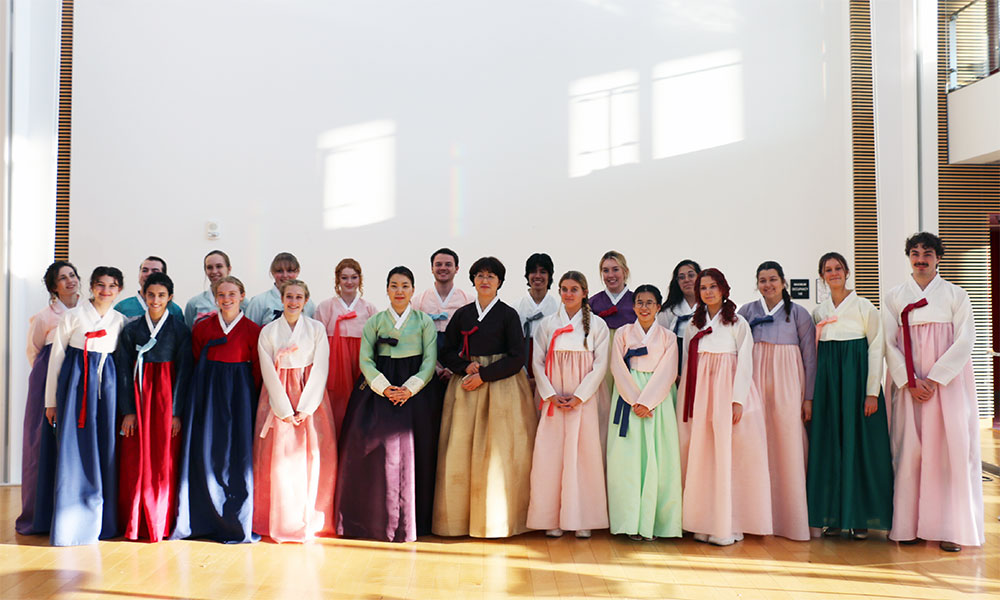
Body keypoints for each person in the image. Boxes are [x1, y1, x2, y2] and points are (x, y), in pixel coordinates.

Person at [883, 233, 984, 552]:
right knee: (909, 453)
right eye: (914, 253)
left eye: (927, 253)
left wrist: (936, 378)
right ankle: (909, 526)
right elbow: (889, 343)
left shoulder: (957, 295)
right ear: (908, 258)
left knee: (950, 452)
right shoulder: (894, 296)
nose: (921, 258)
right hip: (910, 389)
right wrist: (910, 380)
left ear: (939, 257)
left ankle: (952, 529)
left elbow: (965, 340)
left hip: (948, 387)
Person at [433, 257, 536, 538]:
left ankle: (497, 520)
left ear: (500, 281)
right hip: (466, 389)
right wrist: (465, 367)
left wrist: (485, 374)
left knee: (498, 454)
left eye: (491, 275)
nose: (485, 280)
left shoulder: (508, 315)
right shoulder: (463, 314)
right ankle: (458, 521)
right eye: (480, 275)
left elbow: (517, 358)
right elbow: (446, 351)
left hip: (501, 390)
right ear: (473, 280)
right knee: (460, 452)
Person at [335, 266, 438, 542]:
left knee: (416, 454)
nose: (399, 291)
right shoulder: (375, 321)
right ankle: (370, 521)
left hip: (415, 394)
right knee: (373, 452)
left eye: (405, 286)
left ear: (413, 290)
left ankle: (415, 522)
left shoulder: (424, 322)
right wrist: (383, 387)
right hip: (378, 390)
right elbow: (365, 360)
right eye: (394, 285)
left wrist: (410, 388)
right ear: (387, 289)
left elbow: (429, 362)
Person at [677, 268, 772, 546]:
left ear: (723, 289)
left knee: (729, 456)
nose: (707, 291)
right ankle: (704, 520)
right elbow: (687, 362)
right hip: (700, 394)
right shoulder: (692, 325)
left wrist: (737, 399)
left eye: (712, 286)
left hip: (726, 389)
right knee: (702, 455)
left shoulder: (738, 322)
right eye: (703, 287)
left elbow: (745, 362)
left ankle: (729, 523)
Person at [808, 252, 892, 539]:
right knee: (831, 444)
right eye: (828, 269)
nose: (834, 273)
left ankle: (859, 517)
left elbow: (876, 348)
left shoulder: (865, 307)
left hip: (856, 382)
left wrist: (872, 392)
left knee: (860, 446)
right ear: (822, 275)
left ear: (847, 272)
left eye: (838, 268)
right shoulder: (818, 312)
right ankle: (833, 515)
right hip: (828, 385)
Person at [172, 276, 262, 544]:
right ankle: (202, 520)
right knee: (206, 452)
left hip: (240, 397)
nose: (227, 299)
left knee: (237, 456)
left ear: (242, 295)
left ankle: (236, 522)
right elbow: (196, 362)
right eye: (221, 294)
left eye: (232, 293)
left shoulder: (253, 330)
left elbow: (256, 370)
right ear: (215, 298)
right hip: (208, 395)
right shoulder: (202, 328)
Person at [44, 266, 126, 546]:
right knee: (73, 451)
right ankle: (72, 525)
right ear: (91, 287)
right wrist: (51, 401)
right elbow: (56, 358)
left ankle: (104, 522)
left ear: (119, 290)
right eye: (100, 285)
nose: (105, 290)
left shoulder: (120, 320)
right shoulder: (72, 316)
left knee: (105, 448)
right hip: (77, 384)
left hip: (106, 388)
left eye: (112, 286)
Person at [526, 271, 610, 539]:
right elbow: (537, 361)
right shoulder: (547, 324)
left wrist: (580, 395)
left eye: (574, 289)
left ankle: (582, 517)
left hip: (581, 400)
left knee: (584, 455)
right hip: (554, 399)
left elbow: (600, 365)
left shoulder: (597, 326)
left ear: (585, 292)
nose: (568, 294)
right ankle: (551, 517)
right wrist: (550, 394)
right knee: (551, 456)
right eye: (564, 289)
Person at [252, 279, 337, 543]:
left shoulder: (316, 329)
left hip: (309, 396)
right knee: (278, 463)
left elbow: (321, 366)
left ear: (306, 300)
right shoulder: (268, 331)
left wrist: (306, 407)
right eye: (289, 296)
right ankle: (276, 519)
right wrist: (283, 408)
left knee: (312, 458)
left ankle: (309, 520)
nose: (293, 302)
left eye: (299, 297)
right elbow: (267, 370)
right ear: (282, 298)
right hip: (277, 396)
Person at [737, 261, 816, 542]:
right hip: (756, 381)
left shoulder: (799, 314)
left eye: (772, 279)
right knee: (756, 444)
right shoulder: (746, 312)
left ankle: (790, 520)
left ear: (783, 282)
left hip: (787, 383)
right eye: (762, 280)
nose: (767, 284)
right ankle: (754, 516)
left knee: (787, 444)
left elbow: (810, 357)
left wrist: (808, 398)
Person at [116, 272, 192, 542]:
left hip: (165, 399)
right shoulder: (131, 329)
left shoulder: (181, 330)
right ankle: (135, 521)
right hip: (139, 398)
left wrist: (176, 412)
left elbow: (184, 373)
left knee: (164, 460)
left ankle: (161, 521)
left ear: (170, 297)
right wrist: (128, 410)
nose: (156, 300)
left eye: (161, 295)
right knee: (136, 459)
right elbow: (123, 371)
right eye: (151, 295)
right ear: (143, 296)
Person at [606, 284, 681, 541]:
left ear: (658, 306)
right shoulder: (623, 334)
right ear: (633, 306)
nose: (644, 307)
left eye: (650, 302)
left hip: (657, 401)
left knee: (658, 459)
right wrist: (634, 400)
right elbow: (617, 367)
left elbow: (668, 372)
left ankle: (654, 522)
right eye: (639, 302)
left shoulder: (668, 337)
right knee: (627, 462)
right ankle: (628, 521)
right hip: (627, 399)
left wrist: (647, 401)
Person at [17, 261, 80, 535]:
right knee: (42, 444)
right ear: (53, 287)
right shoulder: (44, 315)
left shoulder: (87, 311)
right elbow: (34, 353)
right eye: (62, 278)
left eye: (72, 275)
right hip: (47, 379)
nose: (69, 281)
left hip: (78, 380)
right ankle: (40, 515)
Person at [314, 258, 378, 437]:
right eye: (344, 278)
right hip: (334, 361)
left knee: (359, 399)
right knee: (337, 401)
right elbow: (316, 339)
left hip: (360, 359)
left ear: (360, 279)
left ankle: (357, 440)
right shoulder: (325, 307)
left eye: (354, 277)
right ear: (337, 280)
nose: (349, 282)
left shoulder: (369, 308)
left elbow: (377, 339)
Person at [515, 253, 559, 381]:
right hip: (520, 369)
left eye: (543, 272)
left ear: (550, 275)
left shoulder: (559, 308)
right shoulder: (515, 308)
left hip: (551, 368)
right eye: (533, 272)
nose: (538, 276)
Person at [246, 252, 316, 326]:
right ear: (273, 272)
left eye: (290, 271)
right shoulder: (259, 302)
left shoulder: (308, 304)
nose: (285, 275)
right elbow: (249, 332)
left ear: (297, 272)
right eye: (279, 271)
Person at [657, 260, 701, 374]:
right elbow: (661, 345)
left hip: (703, 364)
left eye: (691, 275)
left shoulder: (709, 309)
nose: (686, 280)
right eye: (681, 277)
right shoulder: (668, 312)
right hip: (675, 367)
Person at [183, 250, 247, 328]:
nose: (214, 271)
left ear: (229, 269)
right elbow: (189, 333)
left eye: (219, 266)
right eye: (209, 267)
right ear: (205, 271)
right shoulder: (194, 303)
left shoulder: (243, 303)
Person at [113, 256, 184, 321]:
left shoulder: (174, 310)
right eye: (144, 270)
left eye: (155, 271)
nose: (148, 274)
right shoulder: (122, 307)